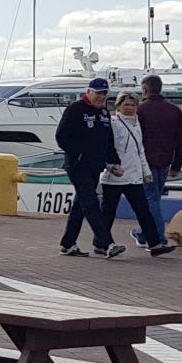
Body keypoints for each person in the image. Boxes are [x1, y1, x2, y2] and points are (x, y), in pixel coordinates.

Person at [55, 77, 123, 258]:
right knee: (91, 203)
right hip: (77, 165)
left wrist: (114, 162)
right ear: (89, 92)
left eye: (104, 93)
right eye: (98, 93)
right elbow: (61, 136)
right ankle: (107, 244)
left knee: (80, 206)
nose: (101, 97)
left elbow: (108, 141)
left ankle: (68, 244)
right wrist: (78, 153)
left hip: (95, 166)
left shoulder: (104, 113)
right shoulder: (75, 109)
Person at [105, 91, 173, 256]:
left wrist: (146, 171)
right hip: (116, 175)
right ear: (118, 106)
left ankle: (155, 244)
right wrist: (110, 166)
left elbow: (139, 149)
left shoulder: (137, 123)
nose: (130, 108)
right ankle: (101, 242)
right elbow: (106, 146)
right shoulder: (113, 123)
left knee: (144, 211)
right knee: (108, 213)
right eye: (126, 105)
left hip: (134, 175)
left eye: (133, 105)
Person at [135, 74, 182, 245]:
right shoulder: (175, 110)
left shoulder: (140, 110)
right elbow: (181, 140)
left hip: (145, 161)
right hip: (165, 160)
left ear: (144, 89)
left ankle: (158, 238)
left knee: (150, 198)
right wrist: (177, 165)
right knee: (155, 197)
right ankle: (143, 233)